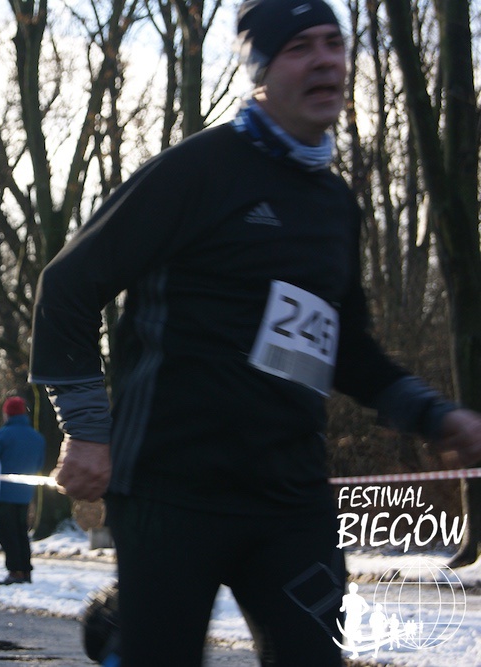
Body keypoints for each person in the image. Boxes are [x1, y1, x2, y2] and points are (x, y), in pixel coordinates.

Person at [28, 0, 481, 664]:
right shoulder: (199, 170)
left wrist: (434, 414)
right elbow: (68, 284)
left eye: (333, 43)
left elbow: (346, 348)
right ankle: (129, 631)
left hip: (289, 497)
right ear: (262, 71)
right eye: (300, 47)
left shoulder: (334, 205)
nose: (325, 60)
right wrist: (89, 430)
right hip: (170, 489)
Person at [0, 396, 46, 585]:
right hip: (26, 492)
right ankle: (26, 570)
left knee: (7, 533)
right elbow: (40, 464)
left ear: (7, 414)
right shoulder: (37, 437)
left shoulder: (4, 434)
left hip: (4, 491)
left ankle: (15, 571)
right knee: (22, 532)